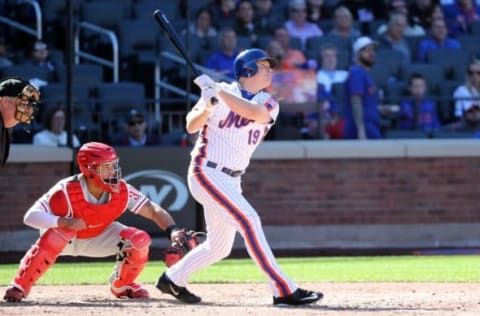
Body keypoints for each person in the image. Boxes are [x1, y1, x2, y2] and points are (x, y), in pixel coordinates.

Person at [154, 48, 323, 306]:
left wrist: (217, 92)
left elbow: (254, 113)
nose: (270, 70)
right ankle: (283, 289)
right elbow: (191, 125)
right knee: (249, 220)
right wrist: (208, 104)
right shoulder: (217, 91)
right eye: (264, 65)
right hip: (206, 171)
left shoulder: (268, 102)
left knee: (220, 247)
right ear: (248, 69)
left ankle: (172, 278)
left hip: (231, 179)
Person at [3, 141, 189, 302]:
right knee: (58, 232)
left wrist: (173, 230)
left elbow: (152, 209)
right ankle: (20, 286)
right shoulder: (65, 190)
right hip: (66, 239)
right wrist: (62, 221)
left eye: (114, 165)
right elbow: (30, 217)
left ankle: (121, 286)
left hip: (98, 237)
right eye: (106, 167)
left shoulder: (122, 189)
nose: (113, 171)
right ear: (89, 169)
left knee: (139, 240)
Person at [343, 36, 382, 139]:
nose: (372, 53)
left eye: (373, 50)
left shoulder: (365, 73)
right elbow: (356, 102)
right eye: (368, 50)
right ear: (357, 54)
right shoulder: (356, 72)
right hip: (362, 129)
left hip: (371, 126)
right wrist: (361, 131)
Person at [0, 77, 40, 167]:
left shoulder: (4, 127)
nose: (27, 110)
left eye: (28, 105)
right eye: (22, 103)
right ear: (5, 101)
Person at [316, 44, 348, 139]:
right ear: (321, 59)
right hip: (323, 114)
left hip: (343, 113)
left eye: (333, 56)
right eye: (327, 56)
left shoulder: (345, 75)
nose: (330, 59)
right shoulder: (315, 76)